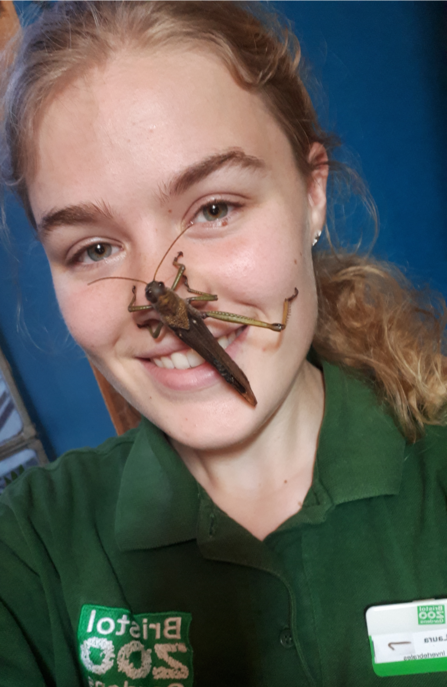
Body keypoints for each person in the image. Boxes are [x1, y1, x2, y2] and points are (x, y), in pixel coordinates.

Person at [1, 0, 446, 684]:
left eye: (215, 208)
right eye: (92, 249)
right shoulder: (28, 547)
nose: (149, 284)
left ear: (312, 194)